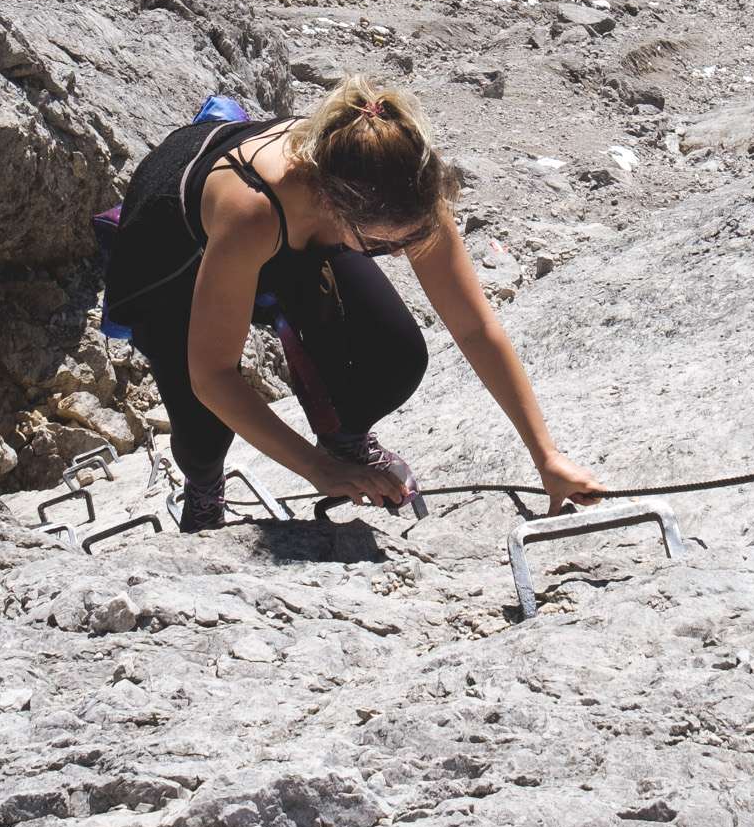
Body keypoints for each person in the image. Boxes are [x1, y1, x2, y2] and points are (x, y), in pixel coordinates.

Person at [102, 75, 607, 531]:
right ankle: (204, 490)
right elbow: (212, 375)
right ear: (335, 207)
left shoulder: (405, 182)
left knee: (394, 355)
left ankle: (341, 434)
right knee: (204, 429)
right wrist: (320, 473)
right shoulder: (251, 213)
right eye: (387, 246)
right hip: (175, 247)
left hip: (296, 232)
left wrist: (546, 456)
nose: (402, 251)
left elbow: (474, 327)